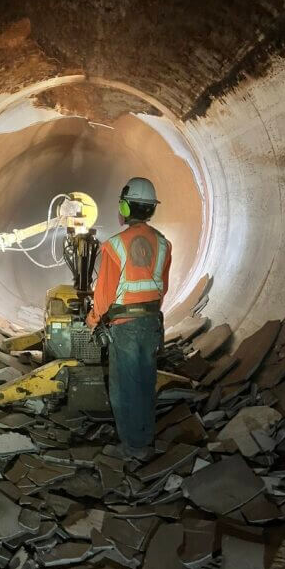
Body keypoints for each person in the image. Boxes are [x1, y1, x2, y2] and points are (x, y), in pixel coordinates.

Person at [86, 177, 172, 459]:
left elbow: (105, 294)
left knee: (124, 387)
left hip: (124, 326)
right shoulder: (163, 244)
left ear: (124, 207)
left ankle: (133, 448)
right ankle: (145, 438)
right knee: (146, 382)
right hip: (151, 323)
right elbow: (163, 286)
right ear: (151, 210)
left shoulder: (114, 246)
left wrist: (93, 319)